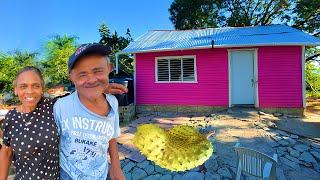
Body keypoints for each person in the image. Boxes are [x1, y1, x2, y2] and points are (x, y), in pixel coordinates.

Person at [0, 61, 127, 179]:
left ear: (42, 89)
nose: (30, 91)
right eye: (23, 86)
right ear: (15, 90)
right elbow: (6, 153)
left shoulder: (51, 107)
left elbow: (76, 96)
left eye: (36, 86)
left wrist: (98, 88)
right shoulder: (11, 118)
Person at [53, 43, 125, 180]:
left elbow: (112, 137)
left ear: (109, 69)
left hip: (100, 174)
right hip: (68, 175)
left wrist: (116, 166)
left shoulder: (113, 103)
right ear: (71, 77)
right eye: (82, 74)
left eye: (98, 71)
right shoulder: (61, 106)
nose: (91, 79)